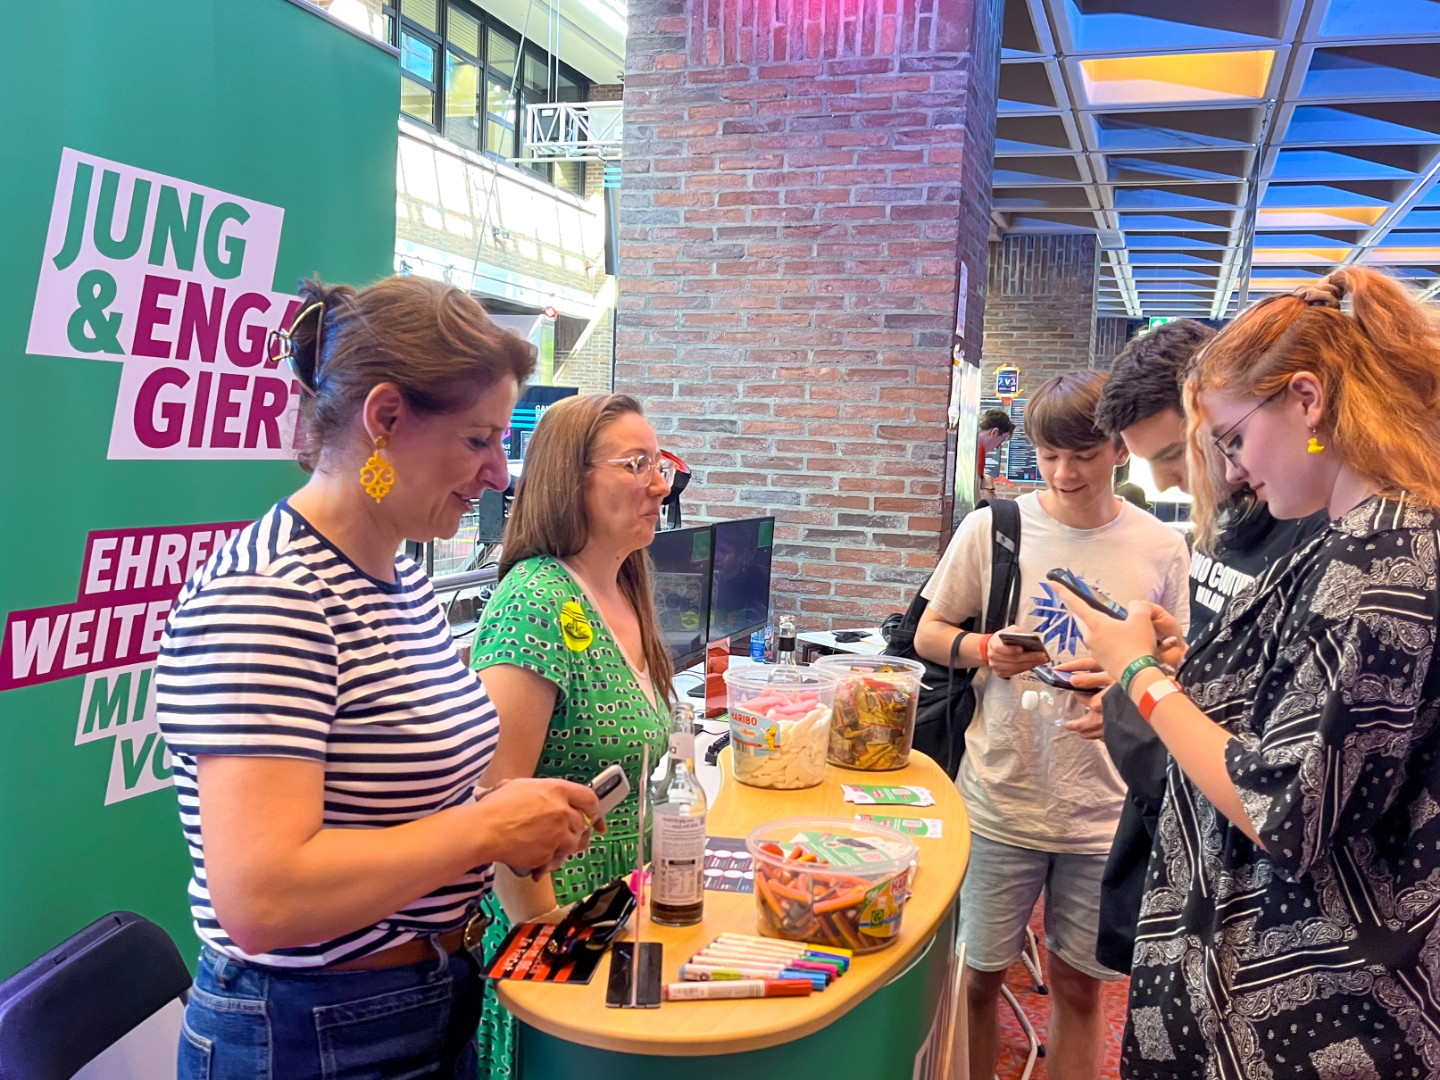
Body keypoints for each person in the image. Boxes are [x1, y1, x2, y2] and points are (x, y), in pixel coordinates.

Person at [155, 276, 602, 1079]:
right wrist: (485, 831)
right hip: (314, 1031)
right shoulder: (272, 595)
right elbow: (262, 899)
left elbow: (383, 799)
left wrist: (499, 811)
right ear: (386, 417)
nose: (498, 475)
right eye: (476, 440)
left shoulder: (393, 576)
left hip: (423, 997)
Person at [1058, 267, 1440, 1078]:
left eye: (1231, 437)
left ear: (1308, 399)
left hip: (1308, 1002)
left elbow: (1286, 804)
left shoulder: (1383, 554)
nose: (1229, 469)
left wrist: (1140, 679)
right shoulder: (1353, 536)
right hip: (1262, 983)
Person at [914, 371, 1191, 1080]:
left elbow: (1178, 659)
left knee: (1080, 984)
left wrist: (1133, 687)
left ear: (1119, 451)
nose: (1066, 474)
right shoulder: (994, 528)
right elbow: (928, 633)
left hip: (1101, 810)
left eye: (1085, 455)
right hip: (1000, 794)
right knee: (975, 976)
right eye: (1049, 456)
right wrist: (985, 650)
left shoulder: (1160, 547)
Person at [1084, 319, 1328, 976]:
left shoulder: (1324, 529)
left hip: (1268, 903)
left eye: (1173, 455)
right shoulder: (1229, 517)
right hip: (1196, 860)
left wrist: (1139, 681)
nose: (1165, 484)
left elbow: (1282, 785)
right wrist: (1159, 667)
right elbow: (1246, 678)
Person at [468, 393, 676, 1071]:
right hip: (558, 926)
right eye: (635, 463)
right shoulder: (534, 599)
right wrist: (550, 939)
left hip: (619, 908)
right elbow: (498, 801)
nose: (659, 484)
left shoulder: (624, 589)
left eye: (661, 463)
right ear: (571, 479)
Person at [977, 407, 1015, 497]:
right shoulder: (979, 449)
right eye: (1001, 440)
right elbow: (976, 492)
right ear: (994, 432)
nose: (998, 447)